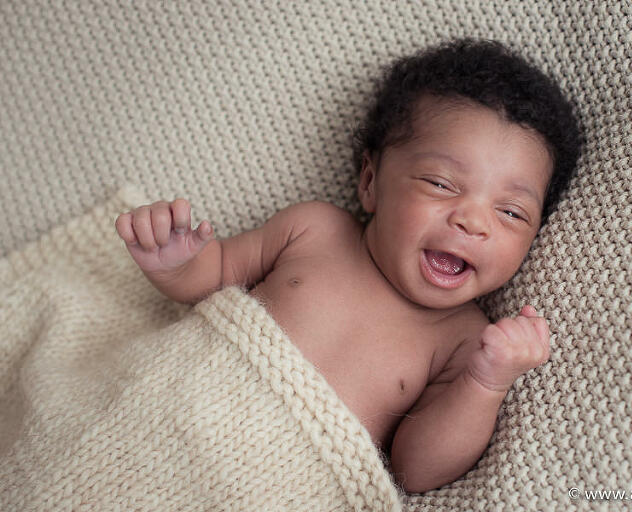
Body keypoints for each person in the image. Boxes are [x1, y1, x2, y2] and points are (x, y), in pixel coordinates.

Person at [114, 38, 582, 493]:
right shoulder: (313, 230)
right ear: (370, 182)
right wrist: (175, 262)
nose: (473, 220)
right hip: (164, 407)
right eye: (441, 184)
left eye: (511, 213)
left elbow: (416, 472)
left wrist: (485, 382)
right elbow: (210, 278)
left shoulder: (461, 340)